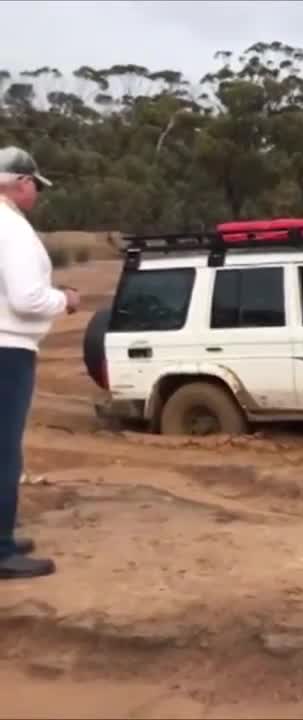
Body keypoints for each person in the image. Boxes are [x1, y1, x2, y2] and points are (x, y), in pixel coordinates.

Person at [0, 146, 77, 580]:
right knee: (4, 452)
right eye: (35, 186)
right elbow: (27, 299)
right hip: (7, 349)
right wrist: (64, 299)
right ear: (23, 183)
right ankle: (1, 549)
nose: (38, 195)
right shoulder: (11, 227)